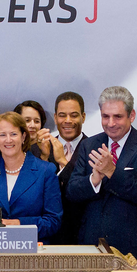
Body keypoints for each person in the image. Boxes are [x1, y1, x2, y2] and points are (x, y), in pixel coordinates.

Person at [66, 86, 137, 262]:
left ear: (131, 115)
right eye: (105, 116)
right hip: (92, 247)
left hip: (135, 251)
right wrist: (94, 179)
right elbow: (72, 191)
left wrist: (111, 171)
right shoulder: (89, 145)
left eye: (118, 116)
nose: (110, 123)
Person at [0, 112, 62, 241]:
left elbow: (53, 221)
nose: (8, 140)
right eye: (2, 135)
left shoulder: (45, 170)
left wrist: (17, 224)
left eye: (14, 134)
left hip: (33, 252)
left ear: (23, 137)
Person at [51, 91, 88, 245]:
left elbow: (86, 190)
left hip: (83, 235)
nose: (67, 120)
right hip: (48, 238)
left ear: (83, 117)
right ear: (55, 118)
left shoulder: (96, 148)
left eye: (74, 115)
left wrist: (62, 161)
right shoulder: (38, 149)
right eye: (62, 115)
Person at [14, 100, 68, 170]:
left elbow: (54, 176)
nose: (32, 125)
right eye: (27, 120)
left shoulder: (49, 147)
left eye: (37, 121)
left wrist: (44, 157)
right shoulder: (8, 147)